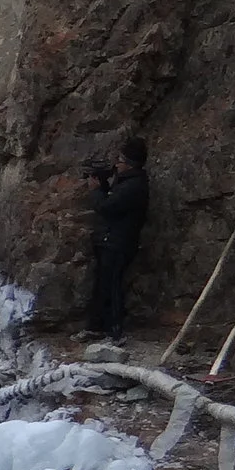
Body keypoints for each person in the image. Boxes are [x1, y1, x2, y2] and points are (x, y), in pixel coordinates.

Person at [87, 138, 151, 340]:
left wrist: (96, 191)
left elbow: (107, 207)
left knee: (113, 286)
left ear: (130, 163)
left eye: (121, 160)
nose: (116, 164)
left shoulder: (134, 186)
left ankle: (115, 330)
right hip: (110, 241)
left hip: (118, 243)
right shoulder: (127, 183)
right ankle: (98, 327)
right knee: (103, 286)